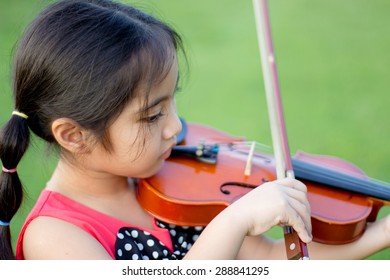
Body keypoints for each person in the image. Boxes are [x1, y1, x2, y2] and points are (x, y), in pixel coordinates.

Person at [0, 0, 389, 260]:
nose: (176, 127)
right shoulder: (53, 237)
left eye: (173, 101)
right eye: (152, 116)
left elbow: (274, 259)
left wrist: (382, 233)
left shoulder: (171, 181)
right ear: (74, 135)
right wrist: (233, 221)